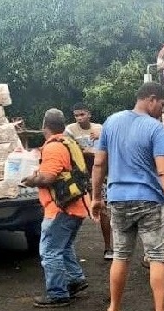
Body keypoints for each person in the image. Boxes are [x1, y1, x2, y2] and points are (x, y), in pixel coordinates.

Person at [91, 82, 164, 311]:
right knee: (157, 257)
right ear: (151, 99)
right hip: (148, 200)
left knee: (121, 255)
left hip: (117, 199)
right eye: (162, 104)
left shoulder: (111, 122)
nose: (162, 110)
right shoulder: (155, 129)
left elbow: (99, 163)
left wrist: (96, 197)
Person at [22, 108, 89, 307]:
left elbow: (48, 177)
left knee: (50, 251)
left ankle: (58, 294)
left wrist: (31, 180)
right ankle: (75, 280)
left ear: (45, 127)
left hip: (60, 209)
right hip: (75, 206)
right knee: (64, 247)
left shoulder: (52, 147)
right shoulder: (68, 143)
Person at [65, 102, 113, 260]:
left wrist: (92, 152)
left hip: (99, 174)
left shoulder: (99, 128)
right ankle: (67, 249)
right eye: (76, 115)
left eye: (82, 114)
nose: (79, 118)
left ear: (89, 114)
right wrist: (90, 151)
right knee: (75, 210)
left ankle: (108, 248)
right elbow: (71, 151)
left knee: (103, 209)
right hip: (80, 175)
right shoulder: (70, 130)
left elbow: (107, 150)